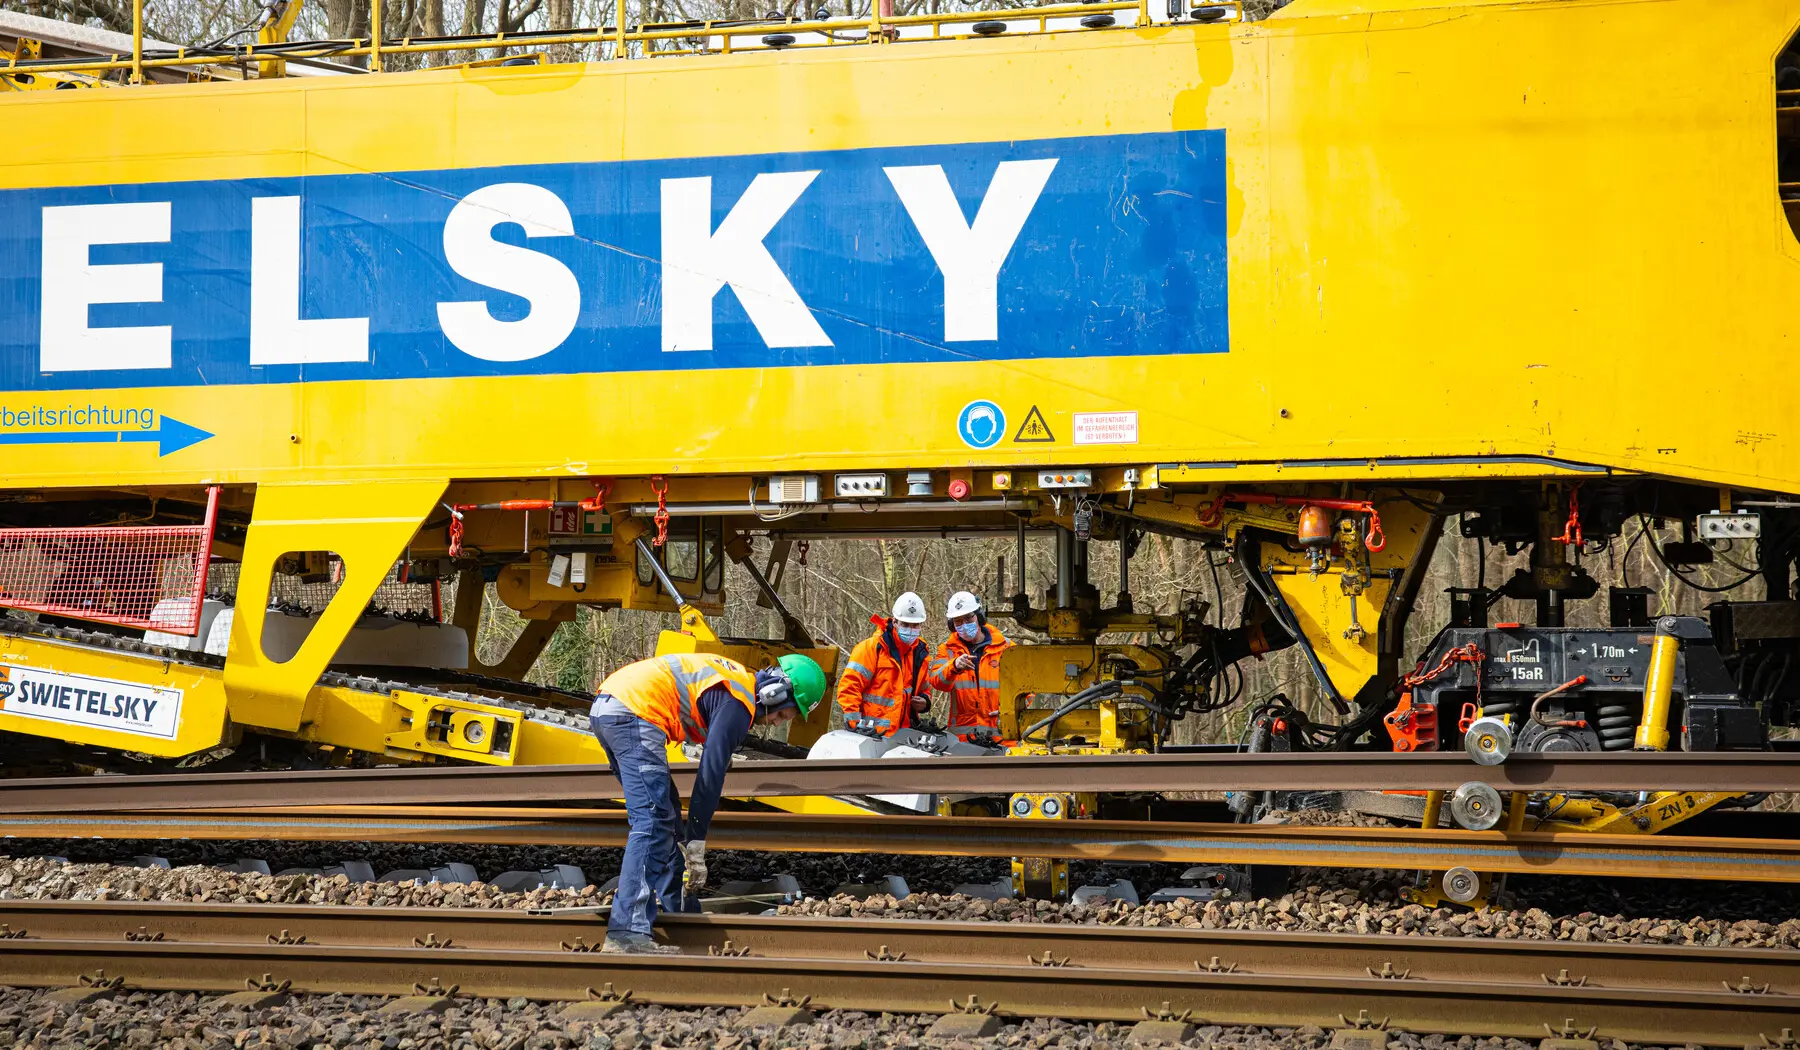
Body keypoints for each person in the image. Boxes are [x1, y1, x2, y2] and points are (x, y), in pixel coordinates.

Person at [590, 651, 825, 954]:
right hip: (634, 712)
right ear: (774, 693)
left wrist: (687, 840)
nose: (772, 722)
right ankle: (627, 932)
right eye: (781, 714)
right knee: (652, 820)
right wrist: (697, 844)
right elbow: (709, 779)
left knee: (666, 818)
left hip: (611, 708)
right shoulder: (737, 703)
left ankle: (682, 915)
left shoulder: (734, 683)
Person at [836, 592, 932, 736]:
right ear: (894, 622)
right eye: (905, 624)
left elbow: (924, 688)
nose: (910, 630)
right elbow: (849, 688)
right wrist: (854, 727)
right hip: (871, 734)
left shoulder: (920, 653)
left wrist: (925, 701)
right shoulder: (871, 648)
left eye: (915, 625)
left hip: (904, 735)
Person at [925, 590, 1014, 740]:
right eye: (958, 621)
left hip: (1001, 735)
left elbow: (1027, 688)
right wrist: (954, 667)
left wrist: (1011, 708)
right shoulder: (947, 650)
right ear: (952, 624)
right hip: (962, 739)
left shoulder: (1007, 648)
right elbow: (936, 681)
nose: (964, 624)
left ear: (978, 616)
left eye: (968, 618)